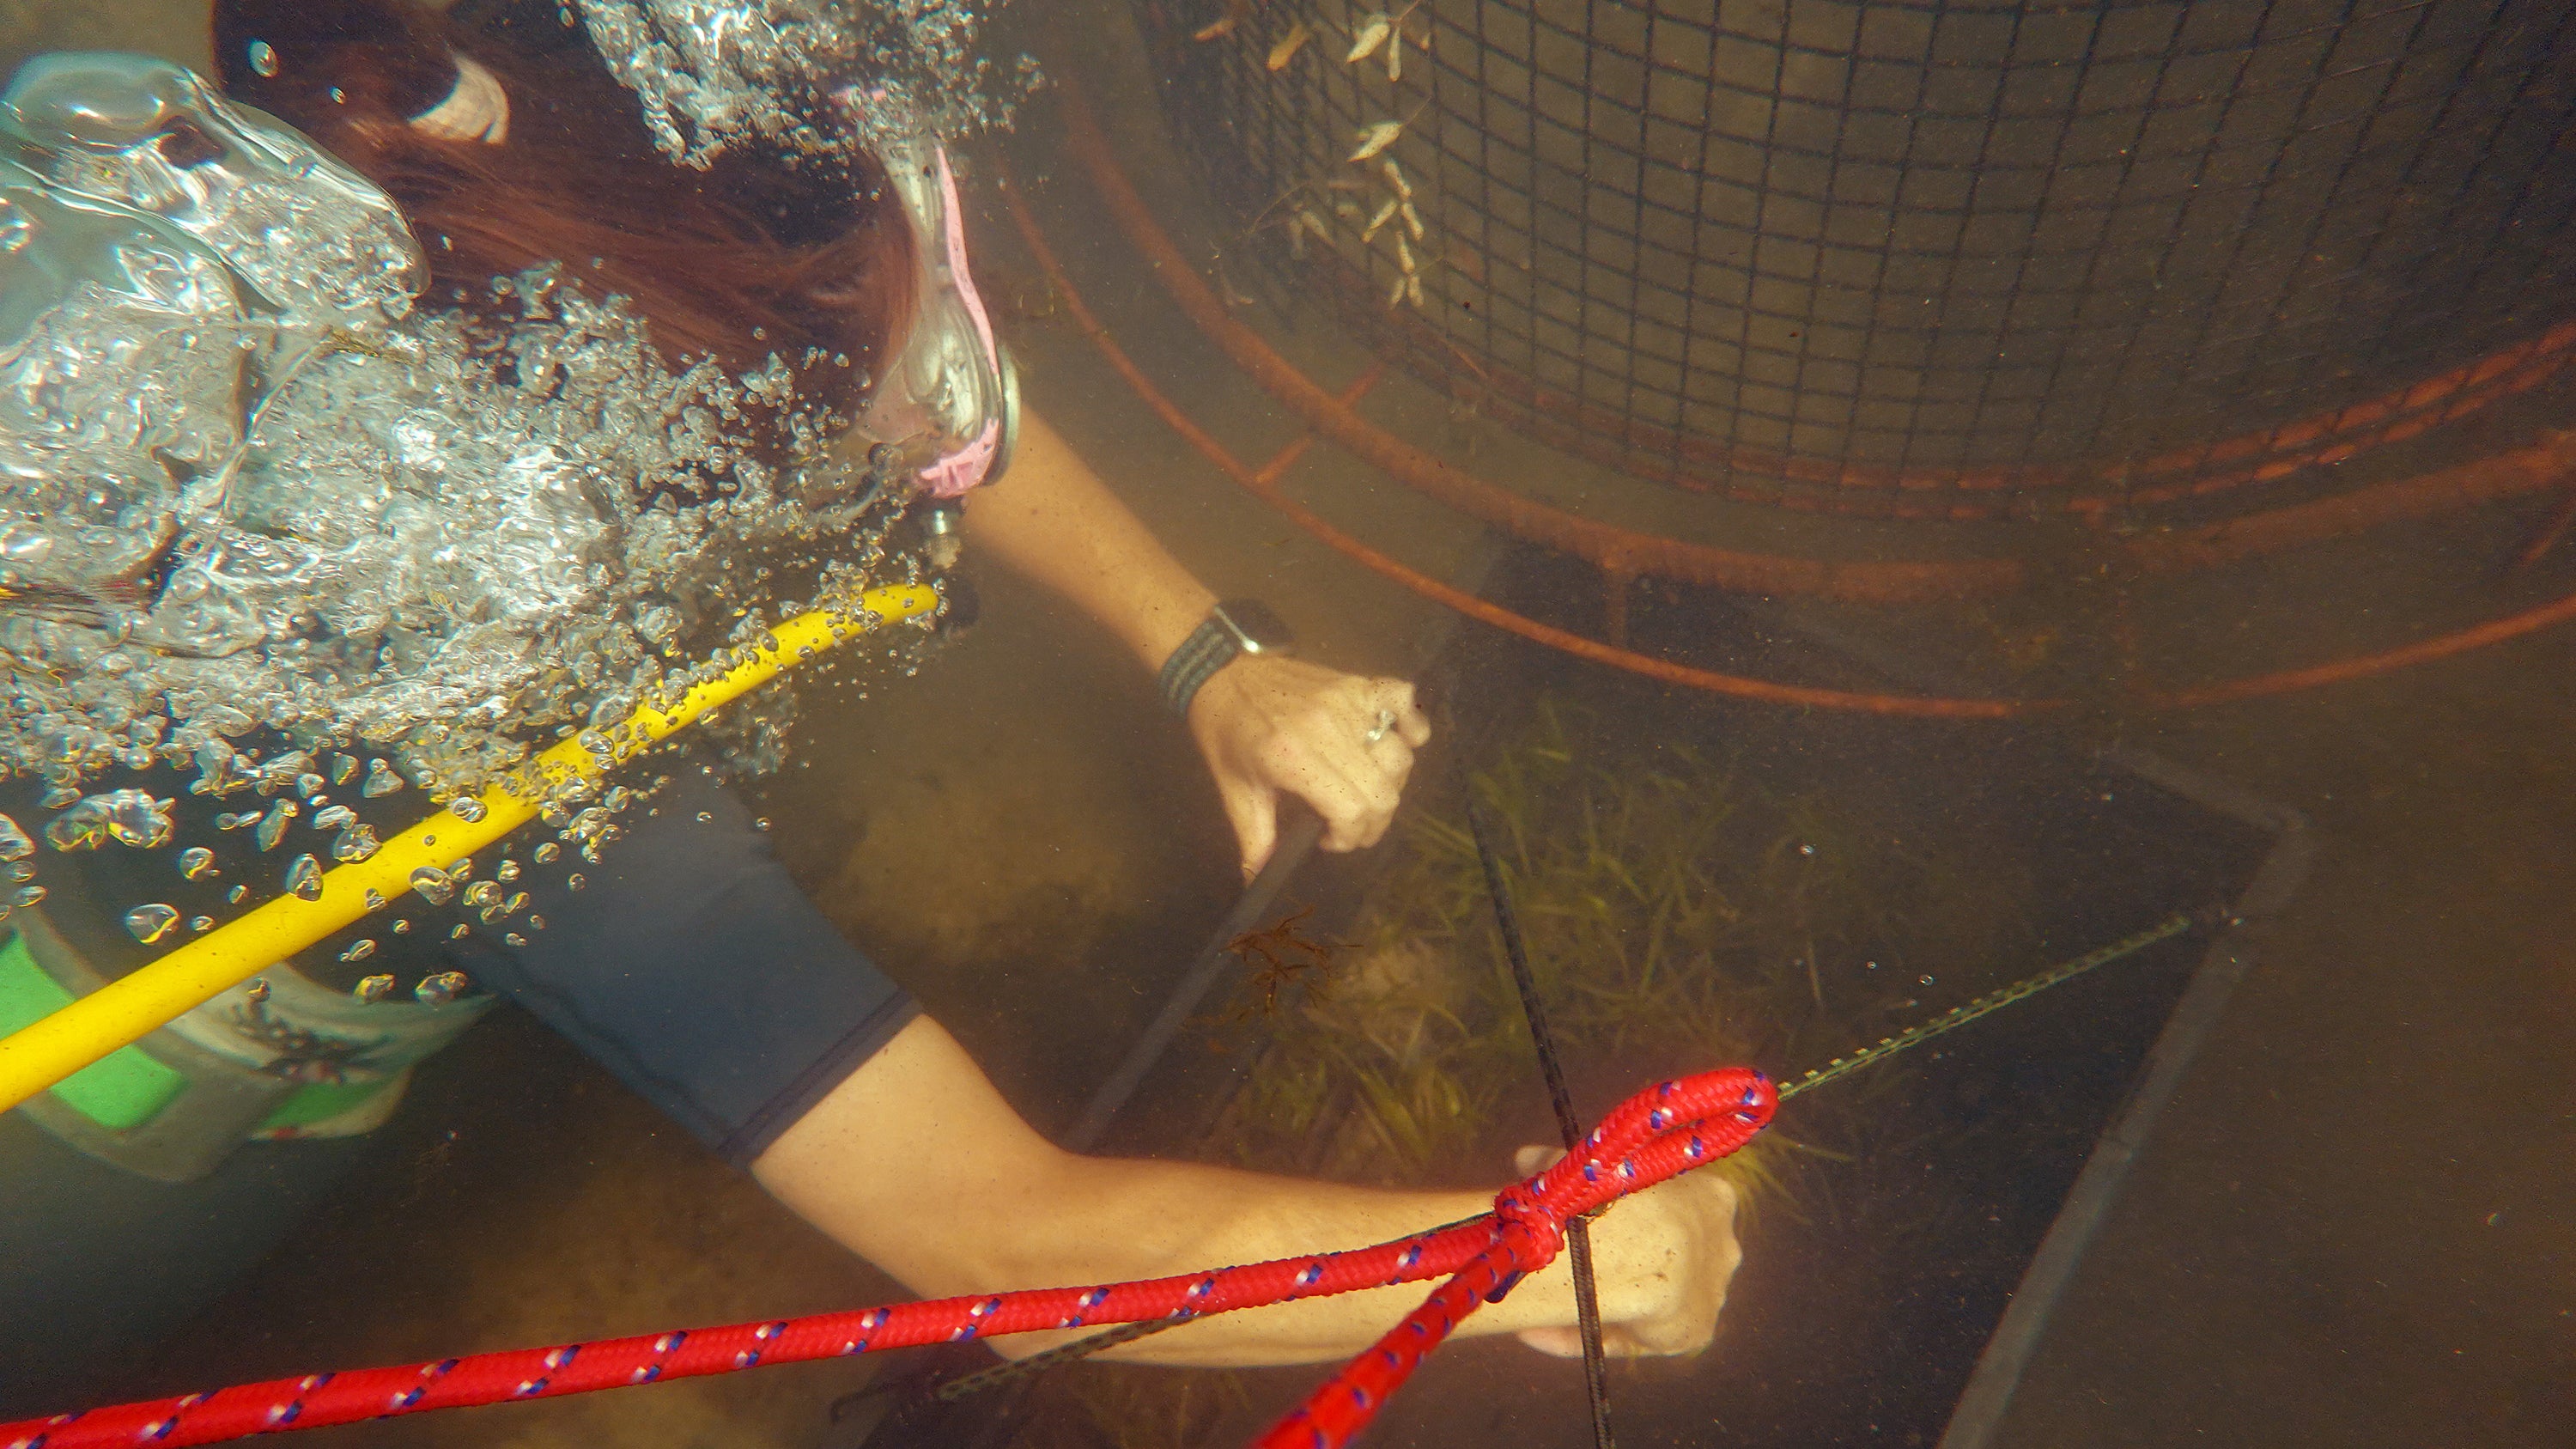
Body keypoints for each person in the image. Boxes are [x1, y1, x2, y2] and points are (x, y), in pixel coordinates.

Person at [9, 0, 1746, 1376]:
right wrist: (1547, 1267)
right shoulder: (499, 729)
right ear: (715, 408)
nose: (923, 393)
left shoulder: (491, 236)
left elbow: (925, 402)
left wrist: (1208, 655)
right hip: (95, 1146)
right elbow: (998, 1240)